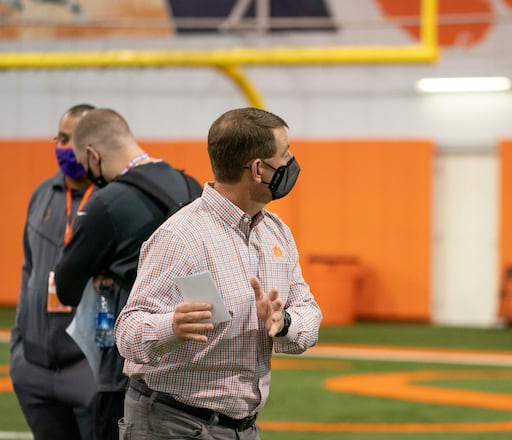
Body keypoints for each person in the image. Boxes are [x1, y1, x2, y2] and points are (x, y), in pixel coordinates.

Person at [115, 107, 322, 439]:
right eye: (285, 157)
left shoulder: (276, 232)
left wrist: (285, 324)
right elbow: (127, 332)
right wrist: (170, 326)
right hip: (172, 424)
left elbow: (309, 311)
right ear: (258, 169)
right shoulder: (181, 237)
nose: (291, 165)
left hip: (241, 428)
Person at [54, 108, 201, 440]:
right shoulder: (190, 184)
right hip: (191, 367)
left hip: (130, 368)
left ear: (93, 155)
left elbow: (66, 287)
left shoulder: (105, 203)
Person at [10, 104, 97, 440]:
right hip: (34, 368)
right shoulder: (43, 194)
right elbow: (28, 269)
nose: (60, 146)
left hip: (86, 368)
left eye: (68, 139)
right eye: (58, 137)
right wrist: (20, 347)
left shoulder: (113, 199)